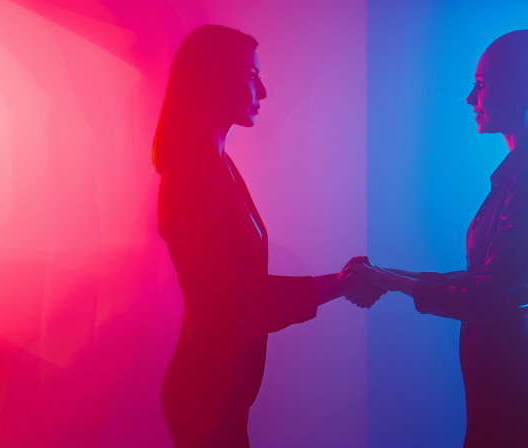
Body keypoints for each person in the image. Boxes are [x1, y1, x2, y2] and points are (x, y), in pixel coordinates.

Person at [350, 30, 528, 447]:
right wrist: (383, 274)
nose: (471, 98)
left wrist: (390, 281)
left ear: (518, 88)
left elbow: (484, 298)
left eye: (481, 85)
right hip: (497, 384)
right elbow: (479, 278)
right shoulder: (521, 173)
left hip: (510, 391)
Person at [153, 25, 381, 448]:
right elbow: (230, 307)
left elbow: (247, 288)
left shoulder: (218, 166)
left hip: (226, 391)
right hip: (205, 393)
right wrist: (338, 287)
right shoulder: (189, 176)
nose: (264, 89)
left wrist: (338, 281)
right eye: (250, 74)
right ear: (212, 79)